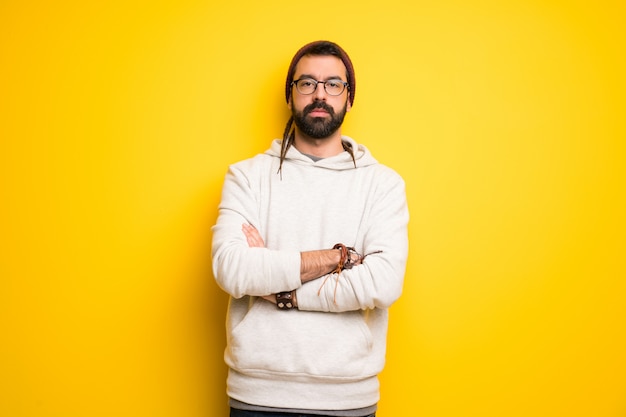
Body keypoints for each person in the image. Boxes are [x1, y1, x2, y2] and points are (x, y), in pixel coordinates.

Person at [211, 40, 409, 417]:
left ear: (349, 98)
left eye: (333, 84)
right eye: (307, 83)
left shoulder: (382, 185)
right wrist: (339, 258)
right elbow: (231, 269)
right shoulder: (247, 177)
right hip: (257, 394)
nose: (320, 94)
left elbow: (383, 283)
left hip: (348, 397)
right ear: (291, 94)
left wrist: (281, 289)